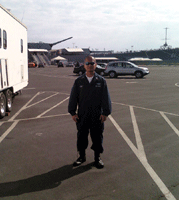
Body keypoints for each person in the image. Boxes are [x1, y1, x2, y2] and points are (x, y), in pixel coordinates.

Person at [68, 56, 112, 169]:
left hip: (97, 116)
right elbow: (73, 98)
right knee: (81, 137)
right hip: (82, 115)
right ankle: (81, 157)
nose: (90, 65)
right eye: (87, 63)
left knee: (97, 137)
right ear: (84, 65)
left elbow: (106, 98)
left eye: (92, 63)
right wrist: (73, 112)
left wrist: (105, 113)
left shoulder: (101, 81)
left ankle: (97, 158)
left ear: (96, 65)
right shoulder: (79, 81)